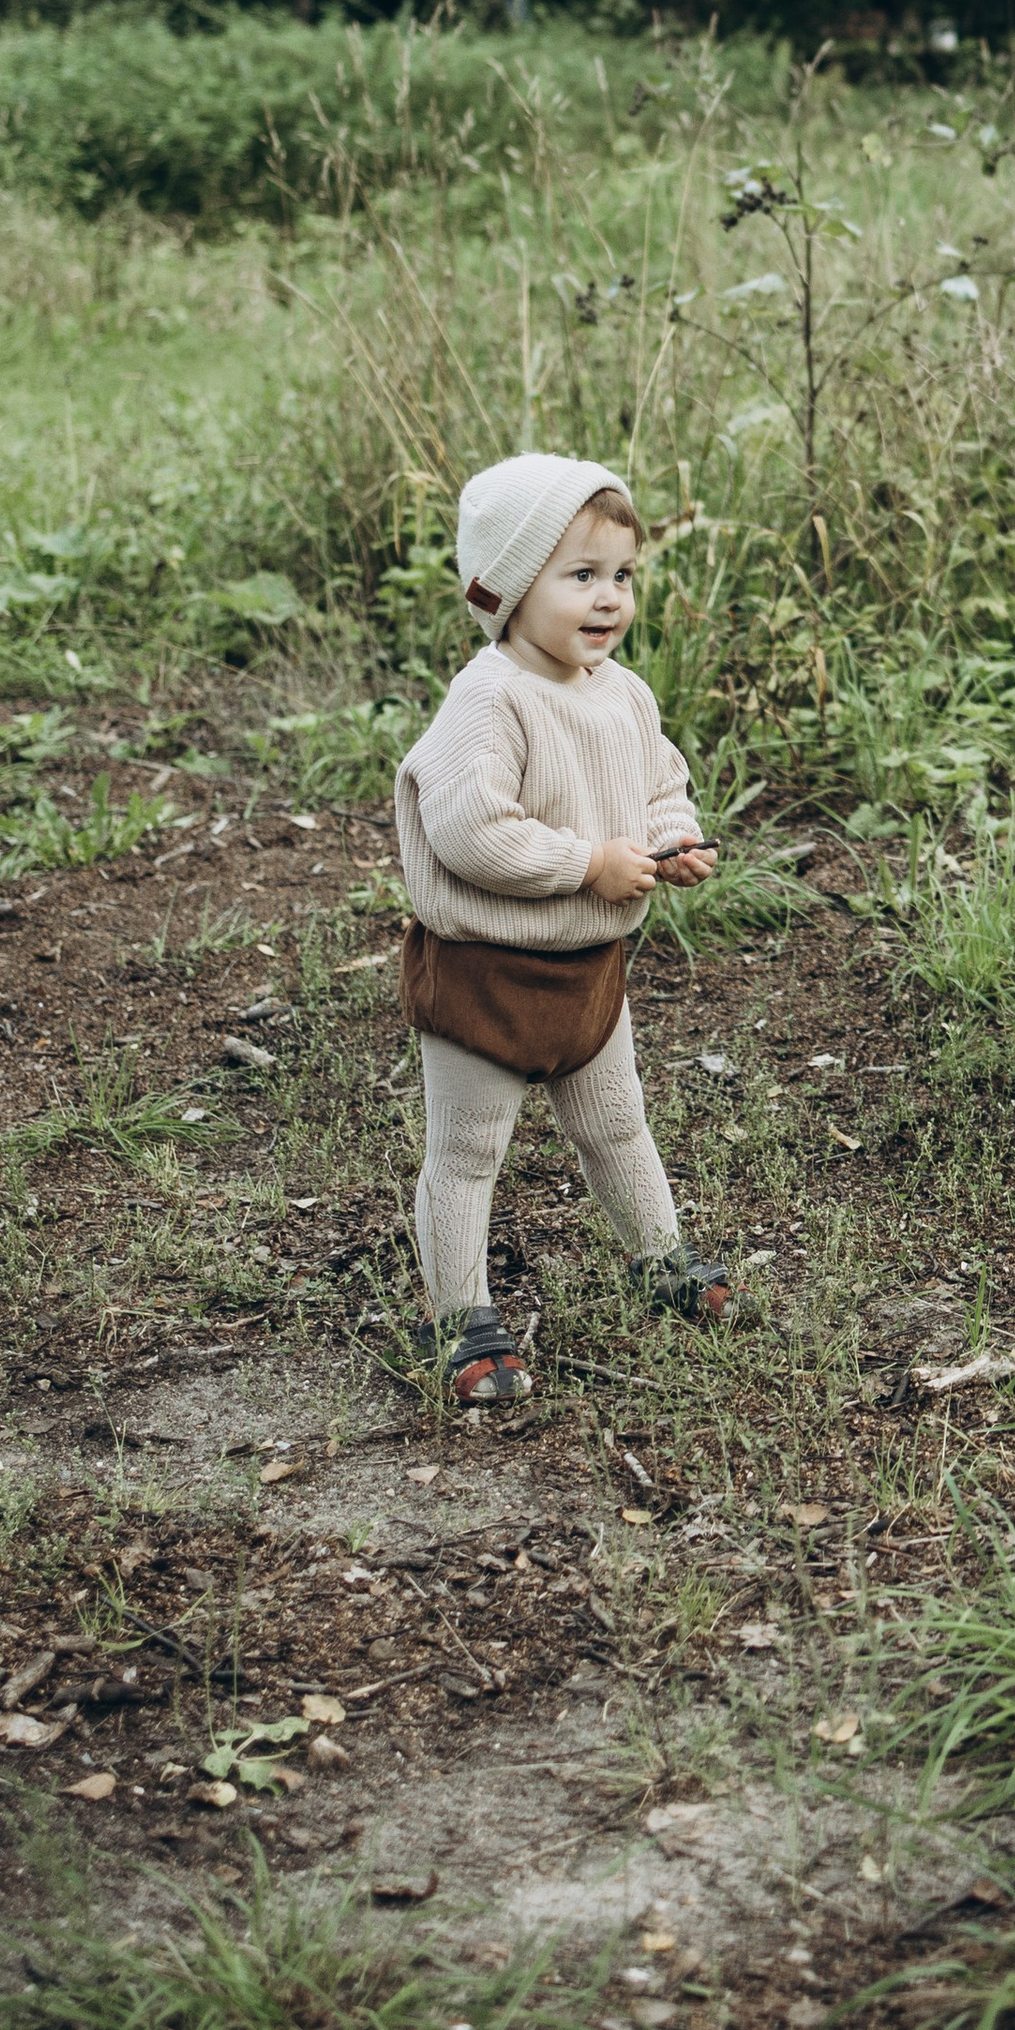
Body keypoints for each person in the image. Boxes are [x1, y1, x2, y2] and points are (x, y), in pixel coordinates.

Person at [393, 452, 731, 1403]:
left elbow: (658, 781)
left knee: (619, 1128)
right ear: (507, 585)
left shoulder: (619, 691)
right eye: (579, 575)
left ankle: (661, 1258)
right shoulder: (490, 698)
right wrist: (587, 862)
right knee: (467, 1153)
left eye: (621, 575)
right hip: (487, 974)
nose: (608, 599)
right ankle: (460, 1321)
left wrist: (672, 839)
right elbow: (469, 832)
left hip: (589, 971)